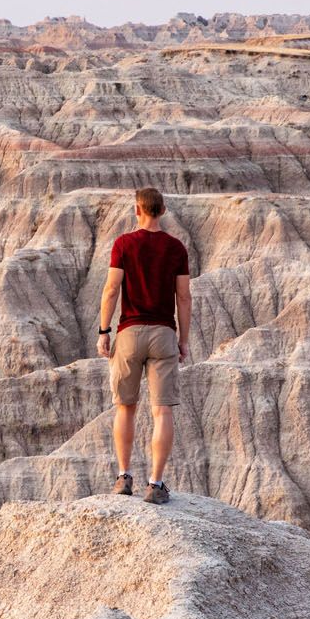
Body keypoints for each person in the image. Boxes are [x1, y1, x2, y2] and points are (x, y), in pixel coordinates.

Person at [96, 187, 191, 504]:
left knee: (126, 407)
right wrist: (183, 339)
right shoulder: (176, 248)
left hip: (130, 332)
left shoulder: (124, 244)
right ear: (163, 210)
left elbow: (111, 289)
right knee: (162, 410)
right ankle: (156, 483)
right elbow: (184, 297)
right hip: (163, 332)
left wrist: (103, 330)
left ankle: (123, 477)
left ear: (137, 210)